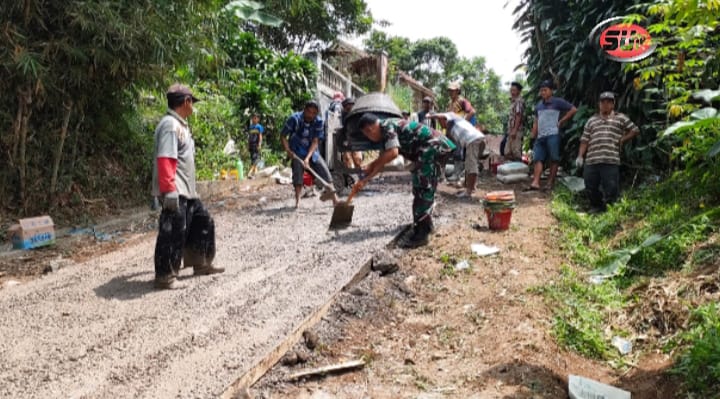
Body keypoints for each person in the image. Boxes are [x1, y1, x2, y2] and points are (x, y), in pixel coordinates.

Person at [152, 84, 224, 290]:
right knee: (173, 231)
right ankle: (165, 276)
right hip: (176, 189)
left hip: (187, 190)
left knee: (203, 221)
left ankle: (200, 263)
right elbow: (165, 158)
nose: (193, 107)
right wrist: (169, 190)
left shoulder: (180, 125)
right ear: (186, 102)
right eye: (192, 102)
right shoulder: (169, 125)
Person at [355, 113, 456, 248]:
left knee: (423, 188)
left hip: (432, 147)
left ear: (369, 129)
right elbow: (382, 162)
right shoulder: (386, 129)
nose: (370, 138)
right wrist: (367, 177)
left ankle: (421, 234)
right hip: (431, 148)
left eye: (367, 135)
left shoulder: (386, 126)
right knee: (423, 187)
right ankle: (426, 226)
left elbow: (393, 153)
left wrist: (370, 169)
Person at [576, 92, 639, 213]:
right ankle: (596, 206)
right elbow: (584, 140)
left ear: (613, 104)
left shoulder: (620, 118)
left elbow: (635, 130)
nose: (605, 104)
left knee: (611, 187)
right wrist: (580, 156)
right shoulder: (591, 120)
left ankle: (610, 210)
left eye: (608, 102)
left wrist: (622, 139)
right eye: (603, 102)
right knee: (590, 185)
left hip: (611, 159)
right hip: (592, 159)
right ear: (599, 104)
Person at [281, 100, 338, 208]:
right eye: (309, 112)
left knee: (325, 173)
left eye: (313, 113)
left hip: (312, 152)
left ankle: (336, 200)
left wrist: (307, 158)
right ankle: (297, 202)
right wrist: (288, 150)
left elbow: (315, 141)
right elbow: (283, 136)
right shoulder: (295, 119)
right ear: (304, 110)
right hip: (296, 152)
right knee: (298, 176)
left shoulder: (318, 122)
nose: (310, 115)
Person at [527, 80, 577, 191]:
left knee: (554, 158)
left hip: (553, 134)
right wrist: (532, 136)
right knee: (537, 158)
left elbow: (573, 109)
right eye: (541, 90)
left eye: (545, 90)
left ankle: (550, 183)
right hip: (540, 136)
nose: (543, 92)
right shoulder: (539, 106)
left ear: (551, 91)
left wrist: (562, 121)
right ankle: (535, 182)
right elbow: (536, 121)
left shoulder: (557, 102)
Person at [430, 112, 486, 198]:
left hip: (473, 140)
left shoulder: (453, 118)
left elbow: (445, 114)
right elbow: (450, 145)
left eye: (439, 121)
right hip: (476, 139)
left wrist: (430, 115)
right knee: (469, 164)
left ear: (444, 120)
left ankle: (469, 192)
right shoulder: (451, 129)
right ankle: (471, 187)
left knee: (471, 165)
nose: (440, 124)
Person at [340, 97, 363, 170]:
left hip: (355, 140)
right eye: (348, 107)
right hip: (346, 139)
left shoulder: (357, 116)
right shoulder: (343, 115)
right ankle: (351, 177)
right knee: (347, 159)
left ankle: (359, 175)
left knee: (357, 159)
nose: (350, 108)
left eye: (352, 106)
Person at [506, 82, 525, 161]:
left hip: (516, 130)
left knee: (516, 151)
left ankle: (519, 170)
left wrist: (514, 130)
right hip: (511, 129)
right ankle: (512, 170)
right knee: (508, 151)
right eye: (511, 90)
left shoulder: (519, 101)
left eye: (514, 90)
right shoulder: (513, 101)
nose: (512, 92)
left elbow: (518, 116)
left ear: (519, 91)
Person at [246, 113, 264, 178]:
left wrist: (259, 144)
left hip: (256, 144)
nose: (254, 119)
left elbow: (260, 136)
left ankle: (252, 172)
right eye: (253, 118)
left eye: (255, 118)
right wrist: (248, 145)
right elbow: (249, 137)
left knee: (255, 158)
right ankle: (254, 172)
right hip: (251, 144)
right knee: (252, 158)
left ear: (258, 119)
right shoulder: (251, 127)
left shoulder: (259, 127)